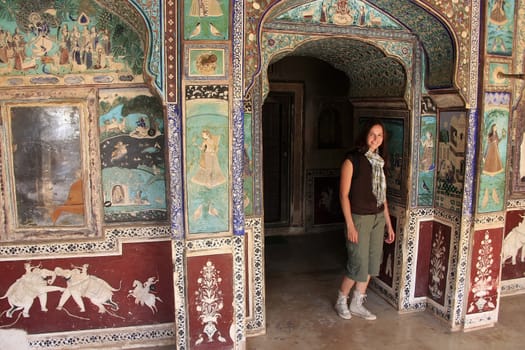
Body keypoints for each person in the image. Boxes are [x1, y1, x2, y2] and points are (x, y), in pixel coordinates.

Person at [335, 119, 395, 320]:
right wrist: (350, 225)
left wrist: (388, 223)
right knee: (357, 263)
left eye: (379, 135)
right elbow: (343, 195)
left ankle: (357, 303)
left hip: (377, 217)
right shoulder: (352, 160)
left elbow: (382, 196)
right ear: (365, 135)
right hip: (359, 218)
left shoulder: (380, 161)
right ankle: (341, 300)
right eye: (372, 134)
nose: (375, 139)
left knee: (371, 263)